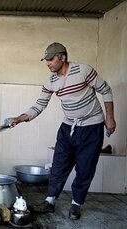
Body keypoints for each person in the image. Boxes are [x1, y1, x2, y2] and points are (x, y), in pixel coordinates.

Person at [6, 42, 116, 220]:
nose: (47, 63)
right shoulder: (51, 81)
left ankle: (76, 204)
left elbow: (106, 90)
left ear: (62, 57)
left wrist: (110, 118)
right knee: (58, 165)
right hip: (68, 127)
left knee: (85, 168)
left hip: (92, 127)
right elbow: (39, 106)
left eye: (50, 59)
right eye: (46, 60)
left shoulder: (83, 70)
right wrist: (19, 119)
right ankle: (50, 201)